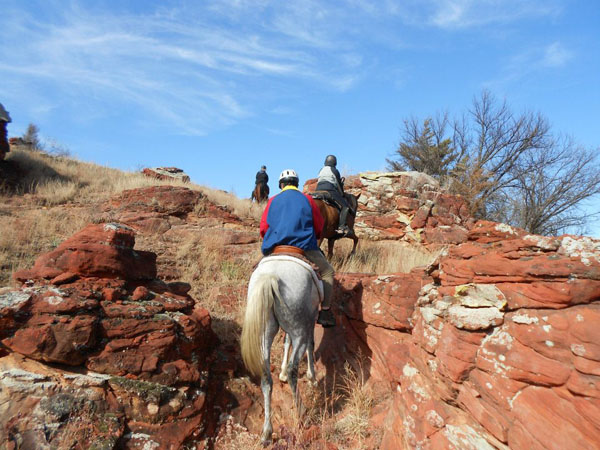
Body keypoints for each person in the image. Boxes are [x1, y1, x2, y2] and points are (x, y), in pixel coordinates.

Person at [260, 169, 336, 327]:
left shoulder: (273, 200)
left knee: (257, 270)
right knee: (328, 272)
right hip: (303, 247)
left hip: (275, 247)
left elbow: (263, 228)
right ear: (296, 184)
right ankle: (326, 312)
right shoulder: (307, 199)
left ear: (281, 185)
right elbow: (319, 226)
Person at [316, 154, 350, 235]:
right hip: (330, 190)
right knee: (345, 207)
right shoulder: (334, 170)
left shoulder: (321, 170)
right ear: (335, 163)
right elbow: (338, 184)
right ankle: (342, 227)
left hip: (317, 190)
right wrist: (341, 194)